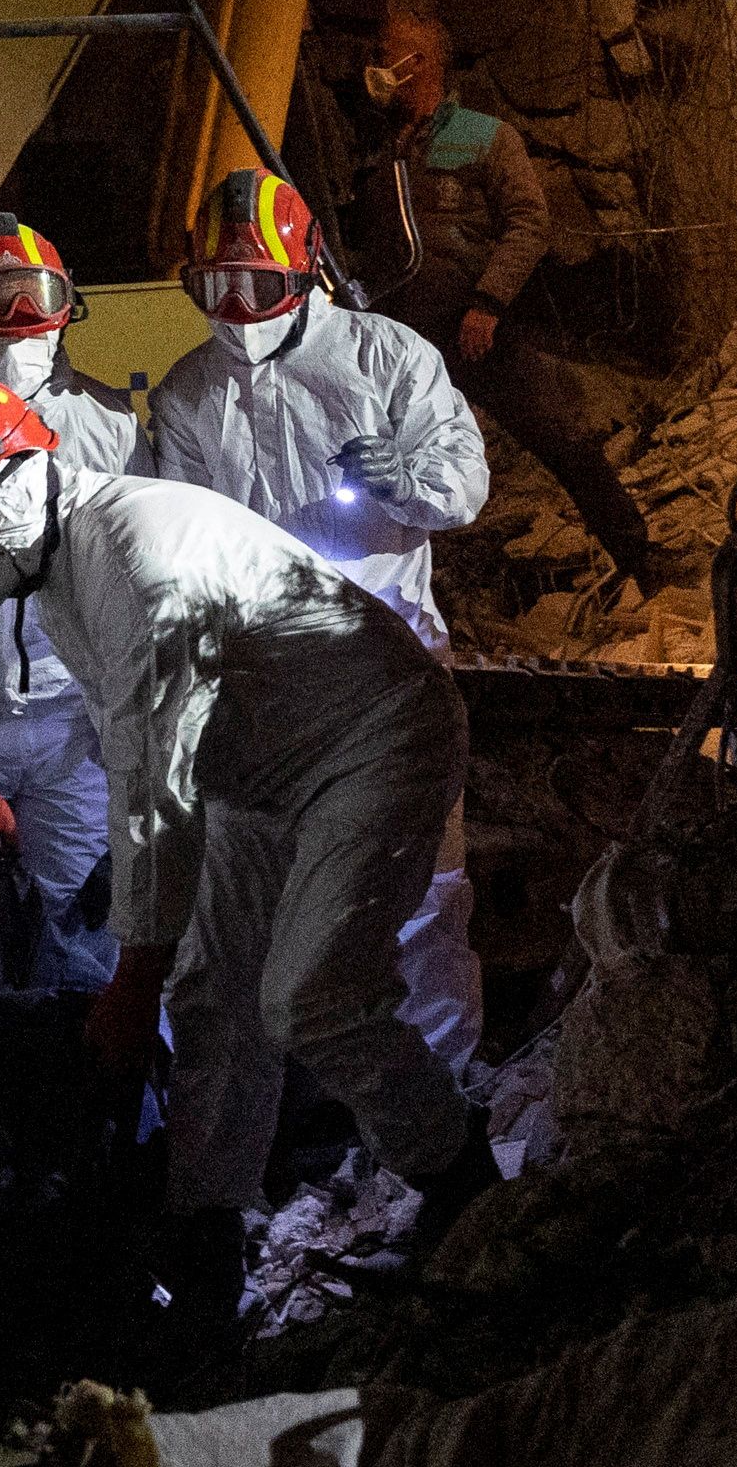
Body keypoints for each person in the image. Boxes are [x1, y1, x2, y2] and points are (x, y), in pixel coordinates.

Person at [0, 373, 502, 1295]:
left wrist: (132, 977)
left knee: (314, 996)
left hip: (374, 737)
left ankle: (467, 1186)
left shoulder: (136, 564)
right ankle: (205, 1238)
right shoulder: (73, 563)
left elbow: (156, 786)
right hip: (267, 764)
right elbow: (149, 765)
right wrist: (140, 924)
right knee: (213, 996)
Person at [145, 169, 490, 1068]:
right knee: (255, 905)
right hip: (268, 692)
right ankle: (300, 1098)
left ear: (303, 275)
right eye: (214, 286)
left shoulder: (388, 358)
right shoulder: (189, 392)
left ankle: (443, 1084)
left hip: (394, 677)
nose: (235, 309)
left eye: (256, 285)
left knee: (422, 894)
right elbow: (181, 540)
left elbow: (465, 484)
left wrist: (406, 480)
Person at [354, 9, 660, 596]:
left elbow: (528, 221)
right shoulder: (375, 149)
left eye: (388, 51)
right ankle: (387, 588)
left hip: (472, 329)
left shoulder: (480, 134)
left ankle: (639, 555)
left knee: (557, 433)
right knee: (380, 461)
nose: (377, 63)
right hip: (400, 337)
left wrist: (488, 303)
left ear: (422, 62)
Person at [0, 214, 140, 995]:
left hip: (73, 729)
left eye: (36, 299)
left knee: (89, 931)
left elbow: (137, 592)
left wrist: (127, 734)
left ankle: (93, 1069)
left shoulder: (110, 426)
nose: (19, 323)